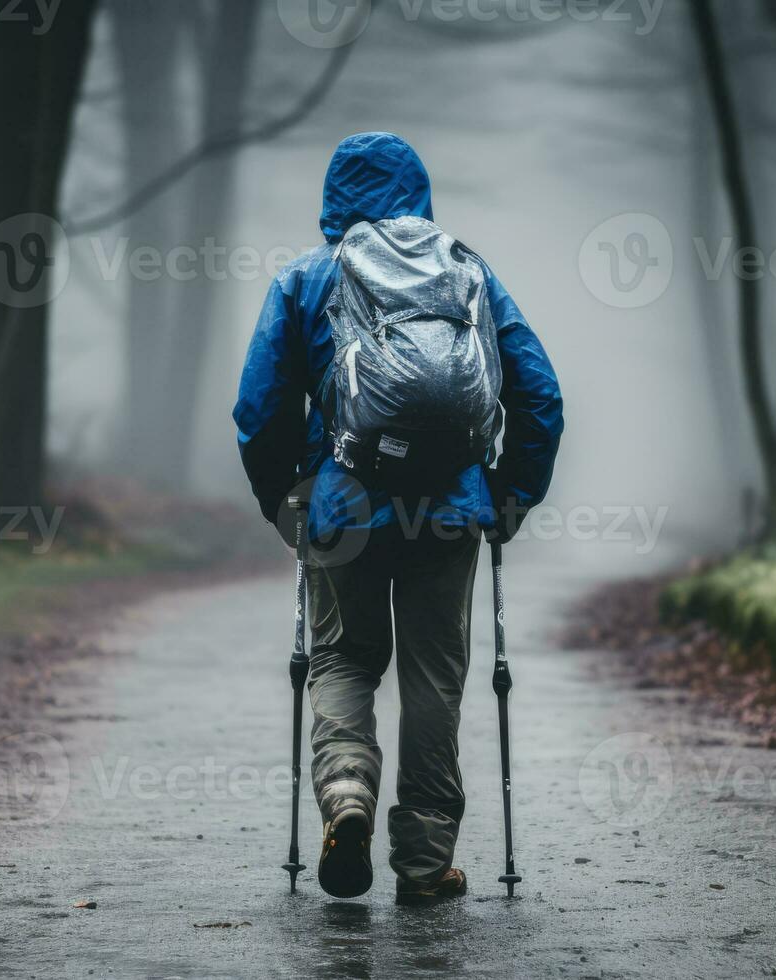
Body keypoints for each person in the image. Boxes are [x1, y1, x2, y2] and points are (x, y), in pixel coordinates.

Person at [233, 132, 564, 903]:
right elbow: (538, 393)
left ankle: (346, 792)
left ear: (333, 201)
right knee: (433, 681)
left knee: (343, 661)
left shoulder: (308, 278)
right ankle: (422, 863)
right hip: (448, 508)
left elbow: (259, 406)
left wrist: (282, 495)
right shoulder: (468, 273)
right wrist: (512, 493)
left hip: (342, 505)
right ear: (419, 194)